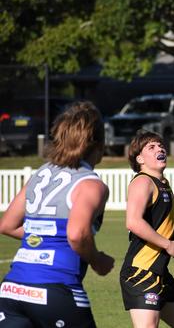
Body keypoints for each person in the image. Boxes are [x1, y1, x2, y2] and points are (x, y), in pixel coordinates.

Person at [0, 101, 115, 327]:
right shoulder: (91, 184)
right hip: (56, 288)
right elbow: (76, 234)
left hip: (12, 290)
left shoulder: (40, 174)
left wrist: (42, 238)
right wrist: (97, 259)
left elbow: (7, 225)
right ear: (99, 144)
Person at [119, 130, 174, 328]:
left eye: (160, 145)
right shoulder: (142, 181)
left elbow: (160, 225)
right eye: (151, 147)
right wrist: (168, 245)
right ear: (140, 159)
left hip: (160, 272)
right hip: (141, 271)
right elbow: (133, 222)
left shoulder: (163, 184)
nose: (159, 149)